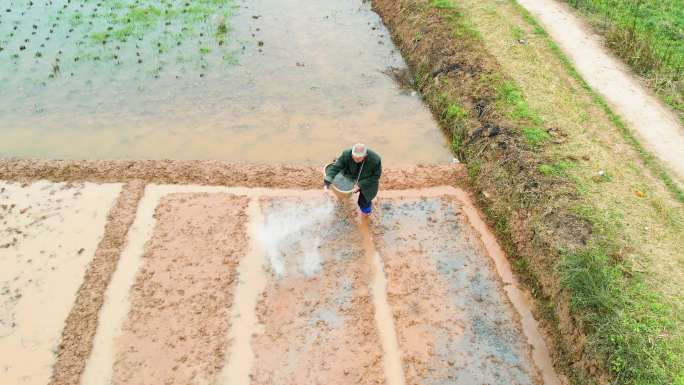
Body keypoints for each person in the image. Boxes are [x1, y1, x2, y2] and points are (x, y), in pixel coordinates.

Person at [324, 143, 382, 215]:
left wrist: (360, 185)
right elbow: (336, 168)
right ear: (352, 153)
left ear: (365, 156)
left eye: (359, 158)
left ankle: (366, 213)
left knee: (364, 201)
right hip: (350, 176)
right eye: (354, 157)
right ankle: (343, 198)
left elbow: (376, 176)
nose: (356, 159)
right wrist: (327, 183)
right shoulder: (346, 154)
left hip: (366, 180)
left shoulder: (375, 160)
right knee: (343, 189)